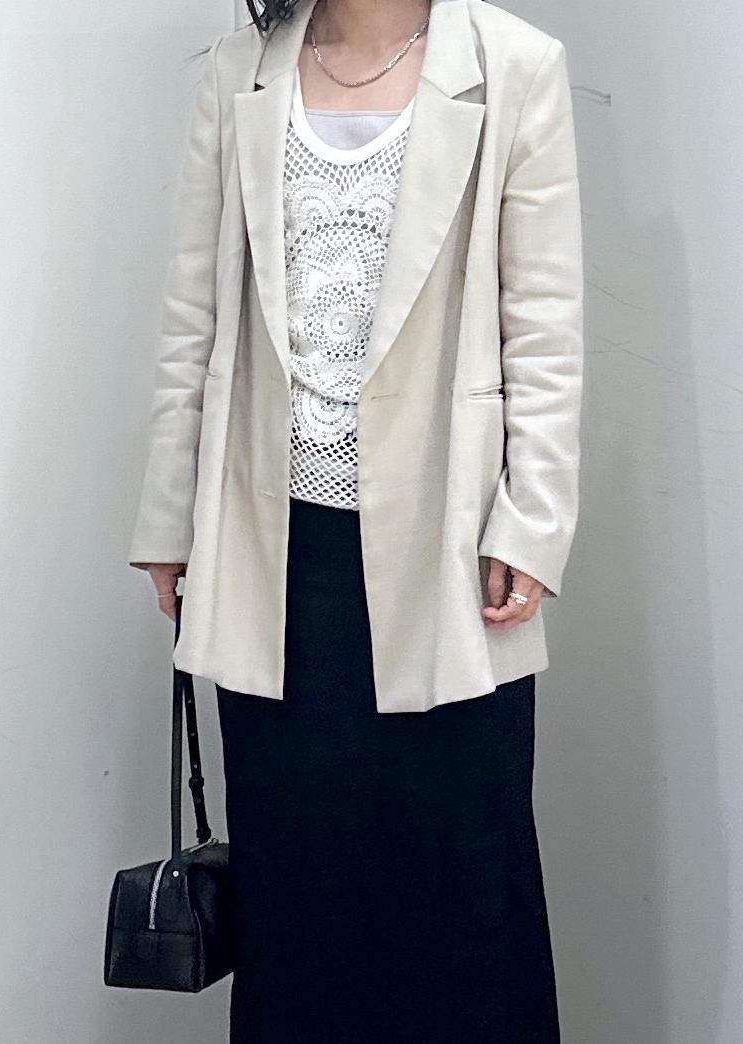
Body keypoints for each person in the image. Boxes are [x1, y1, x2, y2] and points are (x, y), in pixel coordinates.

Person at [127, 0, 584, 1039]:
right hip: (274, 552)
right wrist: (170, 518)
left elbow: (545, 323)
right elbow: (192, 313)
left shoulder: (515, 65)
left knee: (461, 881)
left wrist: (531, 521)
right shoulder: (241, 69)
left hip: (451, 550)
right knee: (299, 888)